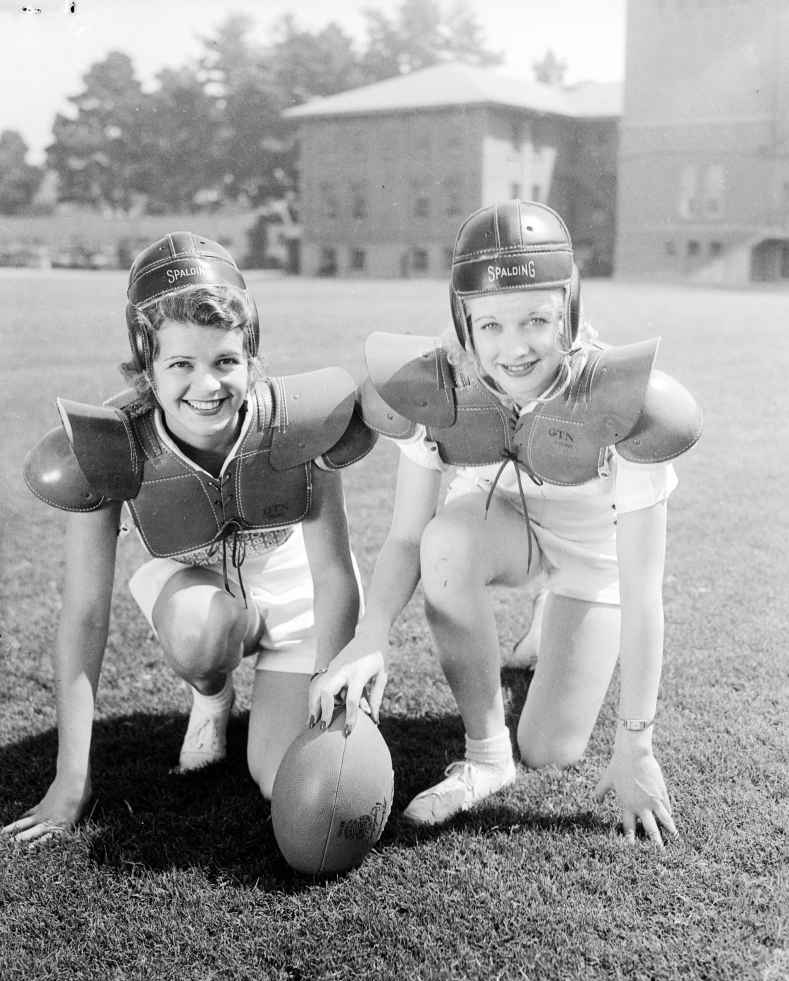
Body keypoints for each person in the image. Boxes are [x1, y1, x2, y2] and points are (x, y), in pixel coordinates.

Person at [309, 200, 702, 845]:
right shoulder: (442, 385)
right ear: (463, 319)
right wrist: (371, 634)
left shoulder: (621, 400)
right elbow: (408, 536)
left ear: (569, 312)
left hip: (590, 554)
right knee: (445, 541)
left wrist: (637, 744)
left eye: (537, 321)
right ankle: (486, 756)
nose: (513, 348)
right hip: (501, 524)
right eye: (489, 323)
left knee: (550, 747)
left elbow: (643, 591)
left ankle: (556, 615)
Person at [4, 232, 374, 845]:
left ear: (251, 356)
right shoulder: (110, 443)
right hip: (197, 598)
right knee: (205, 631)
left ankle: (280, 708)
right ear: (146, 367)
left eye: (225, 361)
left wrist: (330, 690)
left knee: (292, 784)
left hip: (296, 597)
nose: (207, 385)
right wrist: (72, 776)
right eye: (181, 364)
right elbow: (86, 613)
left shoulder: (298, 423)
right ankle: (212, 696)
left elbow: (334, 572)